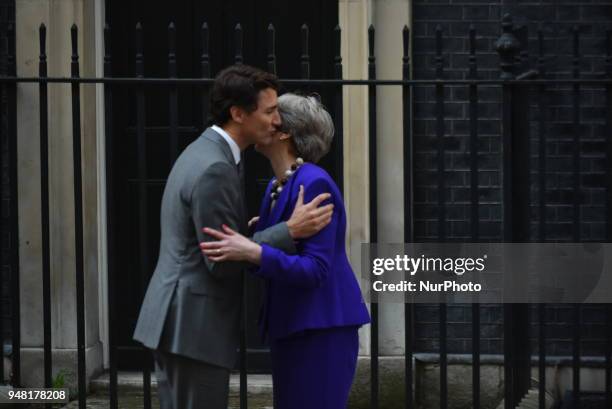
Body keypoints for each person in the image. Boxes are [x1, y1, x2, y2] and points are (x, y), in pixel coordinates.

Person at [133, 66, 334, 409]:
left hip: (181, 322)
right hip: (194, 327)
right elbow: (222, 260)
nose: (276, 122)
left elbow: (221, 242)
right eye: (269, 111)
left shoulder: (206, 152)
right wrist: (289, 231)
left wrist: (254, 236)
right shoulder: (216, 167)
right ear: (238, 113)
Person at [201, 93, 371, 409]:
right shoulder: (276, 186)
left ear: (284, 132)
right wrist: (257, 242)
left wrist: (255, 251)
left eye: (269, 114)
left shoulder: (314, 183)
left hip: (322, 330)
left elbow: (315, 269)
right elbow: (269, 248)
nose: (258, 120)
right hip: (295, 325)